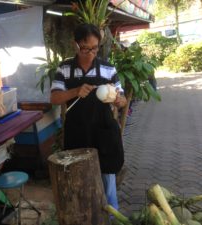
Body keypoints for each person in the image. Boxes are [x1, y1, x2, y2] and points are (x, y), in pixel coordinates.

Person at [50, 23, 127, 209]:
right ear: (76, 45)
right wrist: (75, 90)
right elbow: (54, 98)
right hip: (78, 131)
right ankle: (85, 214)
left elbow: (123, 99)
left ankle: (111, 215)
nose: (91, 53)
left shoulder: (108, 69)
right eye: (86, 48)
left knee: (107, 174)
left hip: (103, 130)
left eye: (95, 48)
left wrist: (117, 100)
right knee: (79, 176)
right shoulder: (64, 69)